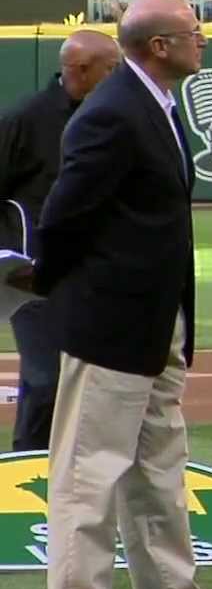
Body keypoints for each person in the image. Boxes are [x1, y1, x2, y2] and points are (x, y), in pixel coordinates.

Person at [36, 0, 212, 589]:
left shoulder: (156, 105)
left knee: (158, 478)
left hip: (156, 324)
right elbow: (63, 219)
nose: (205, 38)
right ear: (158, 47)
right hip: (110, 326)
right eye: (194, 31)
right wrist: (50, 286)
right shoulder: (112, 112)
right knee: (87, 479)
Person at [0, 31, 120, 452]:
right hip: (30, 274)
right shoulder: (28, 119)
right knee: (46, 377)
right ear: (81, 70)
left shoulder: (106, 117)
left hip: (87, 271)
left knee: (87, 380)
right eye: (111, 68)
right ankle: (25, 468)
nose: (117, 76)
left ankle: (67, 476)